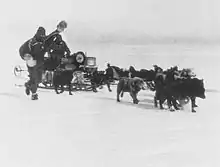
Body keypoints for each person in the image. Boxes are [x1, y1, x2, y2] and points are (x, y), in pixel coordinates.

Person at [19, 20, 68, 100]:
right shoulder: (31, 42)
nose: (42, 37)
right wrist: (27, 57)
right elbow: (22, 50)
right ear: (36, 34)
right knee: (34, 78)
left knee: (39, 80)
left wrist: (58, 30)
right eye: (40, 35)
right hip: (32, 62)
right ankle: (34, 95)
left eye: (43, 35)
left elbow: (51, 37)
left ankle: (28, 85)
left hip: (40, 63)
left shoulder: (44, 41)